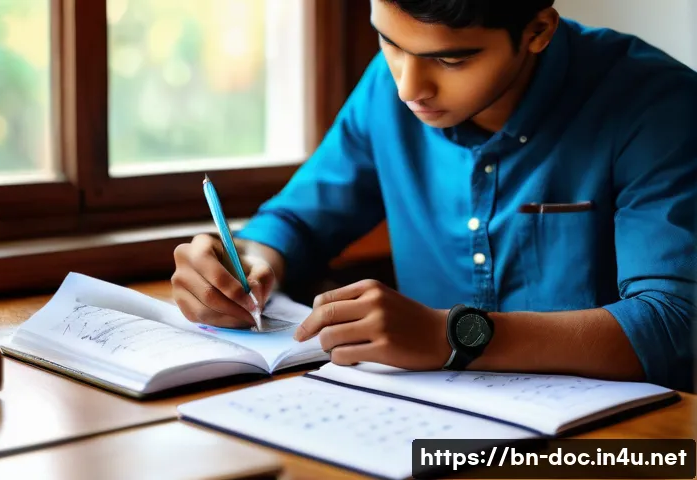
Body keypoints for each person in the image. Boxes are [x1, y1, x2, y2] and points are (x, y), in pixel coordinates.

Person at [172, 0, 696, 392]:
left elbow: (674, 325)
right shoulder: (388, 86)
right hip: (423, 420)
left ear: (538, 30)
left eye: (450, 60)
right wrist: (244, 264)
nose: (407, 86)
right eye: (389, 41)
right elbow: (297, 221)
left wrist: (453, 336)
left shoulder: (657, 106)